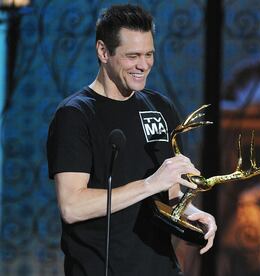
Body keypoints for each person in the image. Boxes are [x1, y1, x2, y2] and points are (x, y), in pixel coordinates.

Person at [46, 4, 216, 275]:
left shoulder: (160, 107)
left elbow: (170, 195)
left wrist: (190, 213)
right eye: (132, 55)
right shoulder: (75, 115)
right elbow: (72, 206)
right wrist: (149, 184)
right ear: (103, 51)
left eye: (149, 54)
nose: (143, 65)